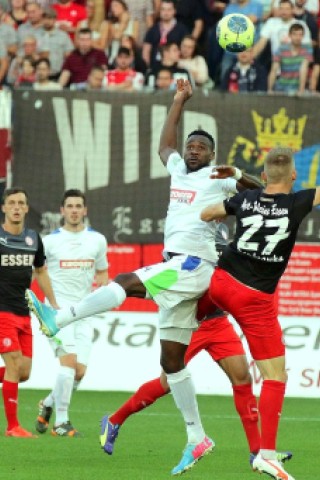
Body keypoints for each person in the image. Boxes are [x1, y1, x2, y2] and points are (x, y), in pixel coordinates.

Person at [26, 79, 261, 475]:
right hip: (178, 270)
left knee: (127, 280)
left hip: (193, 265)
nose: (192, 149)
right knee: (171, 362)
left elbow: (256, 194)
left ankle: (59, 318)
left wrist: (237, 172)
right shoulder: (178, 168)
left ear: (213, 155)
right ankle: (196, 437)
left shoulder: (218, 178)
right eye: (190, 145)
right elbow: (164, 146)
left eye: (200, 147)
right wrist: (178, 100)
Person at [200, 146, 320, 480]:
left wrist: (235, 194)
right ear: (294, 176)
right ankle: (265, 454)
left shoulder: (246, 199)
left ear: (264, 176)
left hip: (220, 282)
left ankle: (187, 332)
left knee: (197, 320)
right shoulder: (298, 202)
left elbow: (207, 213)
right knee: (275, 376)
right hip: (253, 297)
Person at [35, 189, 108, 437]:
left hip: (85, 312)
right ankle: (61, 422)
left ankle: (47, 404)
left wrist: (101, 295)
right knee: (68, 364)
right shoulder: (49, 241)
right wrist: (51, 304)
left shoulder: (97, 240)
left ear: (85, 210)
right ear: (62, 211)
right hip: (58, 312)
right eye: (70, 206)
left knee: (79, 371)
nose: (74, 210)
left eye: (79, 206)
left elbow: (102, 273)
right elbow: (39, 272)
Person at [0, 187, 58, 438]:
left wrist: (52, 304)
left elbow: (41, 271)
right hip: (1, 312)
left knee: (23, 372)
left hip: (23, 313)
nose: (15, 206)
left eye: (20, 203)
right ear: (4, 208)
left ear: (26, 208)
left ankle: (13, 424)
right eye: (11, 202)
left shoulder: (34, 239)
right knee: (13, 364)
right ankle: (13, 427)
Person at [268, 23, 313, 95]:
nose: (297, 37)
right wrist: (269, 90)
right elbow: (274, 69)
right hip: (281, 88)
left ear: (303, 36)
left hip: (297, 89)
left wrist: (301, 91)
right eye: (295, 34)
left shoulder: (307, 49)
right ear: (289, 35)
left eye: (300, 34)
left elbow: (303, 70)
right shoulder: (281, 49)